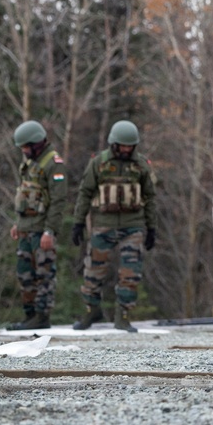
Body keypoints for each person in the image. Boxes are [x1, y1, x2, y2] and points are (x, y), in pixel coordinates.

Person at [72, 120, 158, 332]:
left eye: (130, 146)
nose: (126, 150)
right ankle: (92, 310)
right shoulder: (99, 163)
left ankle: (123, 316)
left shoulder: (141, 165)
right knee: (93, 271)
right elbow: (85, 193)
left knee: (130, 273)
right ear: (114, 144)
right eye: (123, 146)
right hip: (104, 224)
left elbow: (150, 197)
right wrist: (78, 222)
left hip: (133, 225)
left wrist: (152, 228)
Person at [6, 120, 67, 330]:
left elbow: (59, 201)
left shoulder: (53, 163)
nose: (23, 151)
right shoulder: (30, 162)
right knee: (25, 274)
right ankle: (29, 316)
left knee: (44, 274)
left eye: (25, 147)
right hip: (26, 228)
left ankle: (42, 317)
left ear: (36, 143)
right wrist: (18, 223)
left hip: (42, 230)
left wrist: (50, 231)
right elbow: (25, 194)